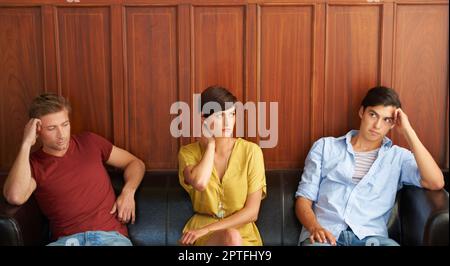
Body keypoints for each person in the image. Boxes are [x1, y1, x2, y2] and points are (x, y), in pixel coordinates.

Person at [295, 86, 445, 246]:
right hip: (325, 236)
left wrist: (408, 131)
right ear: (362, 112)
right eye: (373, 115)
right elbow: (303, 200)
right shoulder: (325, 147)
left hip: (372, 239)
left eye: (387, 120)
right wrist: (315, 228)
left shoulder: (398, 157)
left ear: (394, 124)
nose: (377, 125)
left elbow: (436, 182)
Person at [3, 93, 145, 246]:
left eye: (65, 124)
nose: (61, 134)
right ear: (37, 130)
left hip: (110, 238)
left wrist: (128, 192)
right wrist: (26, 143)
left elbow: (135, 163)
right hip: (66, 242)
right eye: (51, 128)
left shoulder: (90, 142)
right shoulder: (33, 164)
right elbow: (15, 196)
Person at [178, 86, 267, 245]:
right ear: (204, 119)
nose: (228, 122)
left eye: (232, 114)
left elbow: (252, 212)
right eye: (220, 116)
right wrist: (211, 145)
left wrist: (208, 229)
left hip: (242, 235)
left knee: (232, 237)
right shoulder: (188, 153)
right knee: (230, 237)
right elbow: (200, 182)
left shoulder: (251, 152)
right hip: (201, 237)